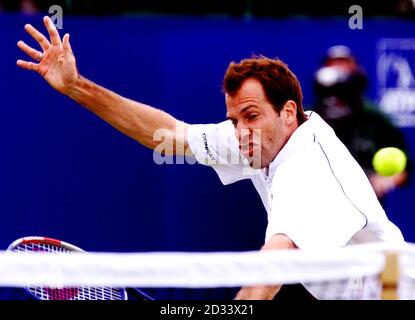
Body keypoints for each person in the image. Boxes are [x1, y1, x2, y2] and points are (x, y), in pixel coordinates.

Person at [17, 17, 404, 300]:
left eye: (251, 116)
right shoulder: (257, 137)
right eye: (234, 119)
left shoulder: (307, 169)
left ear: (288, 112)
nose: (239, 131)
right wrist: (75, 86)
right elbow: (166, 136)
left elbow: (270, 273)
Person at [313, 45, 411, 200]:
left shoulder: (376, 118)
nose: (340, 70)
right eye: (334, 65)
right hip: (317, 207)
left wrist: (387, 180)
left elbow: (405, 169)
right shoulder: (307, 117)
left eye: (345, 65)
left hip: (367, 212)